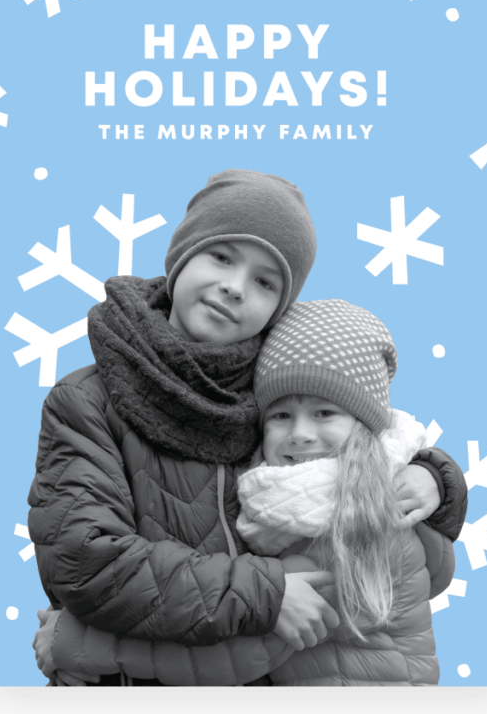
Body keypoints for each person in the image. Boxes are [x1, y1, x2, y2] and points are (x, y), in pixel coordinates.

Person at [29, 169, 451, 687]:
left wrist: (437, 478)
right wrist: (266, 593)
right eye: (222, 256)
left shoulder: (274, 388)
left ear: (280, 305)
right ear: (183, 255)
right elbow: (85, 560)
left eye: (265, 281)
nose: (234, 287)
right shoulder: (88, 400)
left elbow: (364, 443)